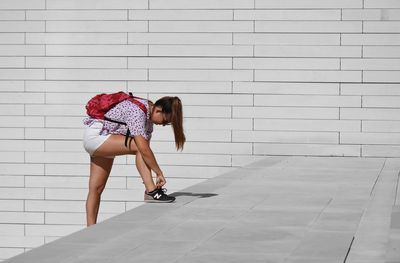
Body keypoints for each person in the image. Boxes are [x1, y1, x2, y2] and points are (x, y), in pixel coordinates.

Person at [83, 95, 185, 226]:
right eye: (165, 121)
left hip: (107, 138)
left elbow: (144, 154)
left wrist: (154, 174)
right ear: (158, 110)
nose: (163, 125)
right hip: (97, 136)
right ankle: (151, 192)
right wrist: (158, 173)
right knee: (139, 146)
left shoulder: (148, 120)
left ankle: (90, 228)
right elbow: (143, 149)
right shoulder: (137, 112)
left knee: (96, 188)